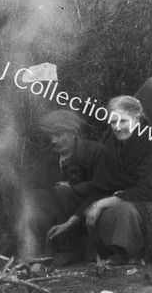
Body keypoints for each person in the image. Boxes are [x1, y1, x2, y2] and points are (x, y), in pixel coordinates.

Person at [83, 95, 152, 264]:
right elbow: (100, 185)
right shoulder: (111, 145)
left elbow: (147, 188)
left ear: (137, 119)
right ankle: (115, 252)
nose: (117, 128)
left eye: (123, 121)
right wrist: (73, 219)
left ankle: (132, 253)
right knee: (94, 209)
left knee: (123, 211)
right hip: (127, 196)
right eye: (112, 122)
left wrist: (105, 202)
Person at [38, 110, 105, 266]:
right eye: (51, 135)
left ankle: (70, 248)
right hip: (58, 214)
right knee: (34, 195)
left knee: (63, 191)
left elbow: (102, 186)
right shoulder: (48, 156)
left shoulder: (95, 151)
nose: (53, 140)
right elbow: (40, 187)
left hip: (89, 208)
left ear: (73, 132)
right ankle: (44, 246)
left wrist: (74, 187)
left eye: (59, 134)